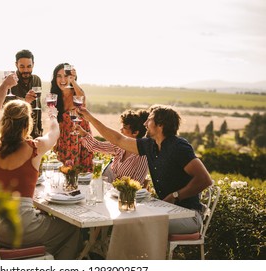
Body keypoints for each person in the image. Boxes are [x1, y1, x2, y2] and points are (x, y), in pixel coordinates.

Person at [78, 104, 213, 234]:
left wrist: (175, 196)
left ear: (160, 125)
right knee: (127, 219)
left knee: (137, 223)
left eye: (149, 119)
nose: (145, 123)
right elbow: (118, 139)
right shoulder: (150, 145)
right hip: (166, 210)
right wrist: (89, 117)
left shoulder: (179, 147)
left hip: (188, 215)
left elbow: (205, 180)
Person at [0, 99, 82, 259]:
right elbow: (54, 133)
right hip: (20, 229)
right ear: (27, 124)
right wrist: (53, 116)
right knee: (73, 227)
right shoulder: (35, 147)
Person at [77, 109, 149, 184]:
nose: (120, 130)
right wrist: (83, 133)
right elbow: (96, 146)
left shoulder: (142, 156)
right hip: (110, 191)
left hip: (125, 194)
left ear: (135, 133)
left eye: (124, 127)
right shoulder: (120, 146)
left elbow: (136, 185)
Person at [50, 63, 93, 171]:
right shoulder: (55, 96)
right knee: (66, 175)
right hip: (65, 141)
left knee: (82, 176)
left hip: (81, 139)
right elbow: (59, 122)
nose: (62, 79)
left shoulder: (77, 93)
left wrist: (73, 81)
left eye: (66, 76)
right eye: (59, 76)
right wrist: (57, 142)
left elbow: (82, 99)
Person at [5, 49, 43, 138]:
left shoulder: (37, 80)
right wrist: (24, 101)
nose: (26, 70)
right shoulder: (9, 81)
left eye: (29, 66)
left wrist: (39, 130)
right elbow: (5, 105)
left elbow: (38, 107)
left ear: (33, 64)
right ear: (16, 65)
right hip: (14, 134)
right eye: (22, 66)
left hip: (34, 133)